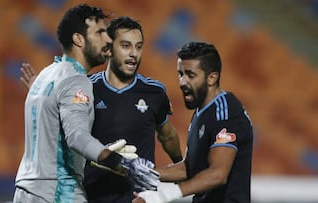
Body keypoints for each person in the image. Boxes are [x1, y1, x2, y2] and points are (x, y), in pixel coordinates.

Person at [20, 16, 183, 202]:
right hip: (93, 196)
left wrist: (181, 166)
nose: (134, 54)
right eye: (125, 46)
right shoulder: (85, 88)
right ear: (109, 49)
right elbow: (67, 132)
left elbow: (167, 135)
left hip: (139, 198)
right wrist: (45, 99)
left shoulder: (154, 92)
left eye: (138, 46)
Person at [133, 41, 254, 203]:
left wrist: (163, 196)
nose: (182, 82)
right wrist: (144, 172)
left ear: (212, 77)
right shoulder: (202, 111)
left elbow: (218, 174)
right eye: (180, 74)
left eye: (190, 75)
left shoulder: (226, 113)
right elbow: (189, 168)